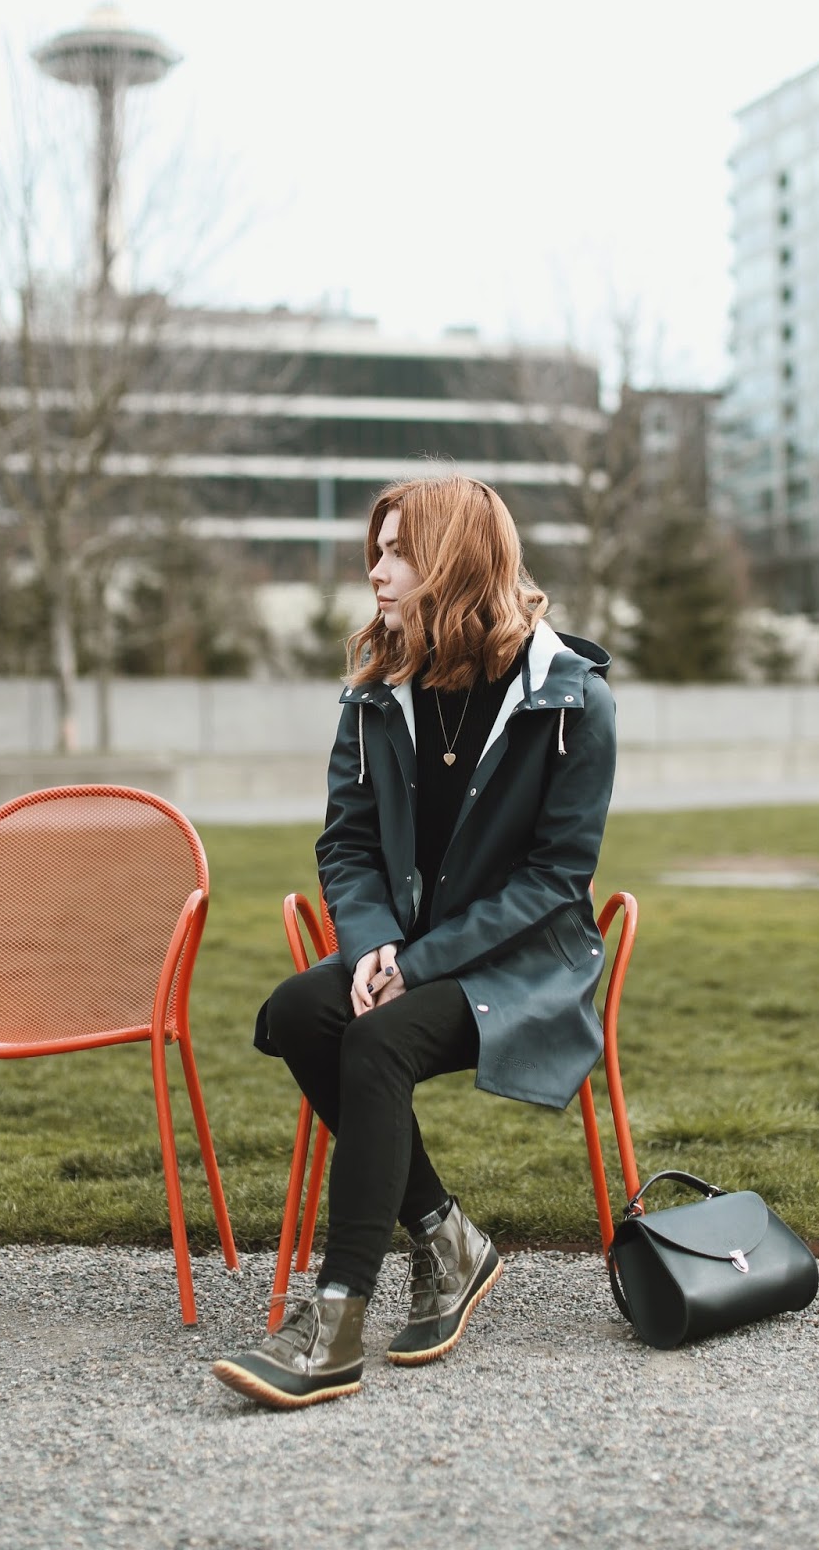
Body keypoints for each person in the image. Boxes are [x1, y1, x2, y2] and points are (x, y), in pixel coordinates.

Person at [213, 473, 617, 1410]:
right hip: (404, 951)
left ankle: (336, 1320)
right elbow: (346, 843)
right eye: (377, 551)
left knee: (377, 1038)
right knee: (299, 1012)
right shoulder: (374, 693)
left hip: (521, 969)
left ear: (455, 561)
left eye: (398, 552)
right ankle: (444, 1237)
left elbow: (555, 879)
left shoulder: (571, 701)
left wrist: (416, 962)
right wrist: (369, 950)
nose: (378, 573)